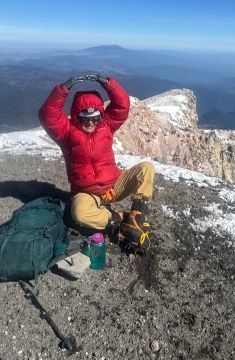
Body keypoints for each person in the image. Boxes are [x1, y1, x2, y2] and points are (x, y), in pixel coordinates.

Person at [38, 73, 153, 252]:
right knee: (79, 213)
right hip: (87, 193)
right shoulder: (66, 133)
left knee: (146, 168)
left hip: (114, 186)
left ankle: (137, 214)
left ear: (100, 116)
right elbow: (48, 115)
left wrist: (108, 84)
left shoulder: (106, 125)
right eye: (85, 117)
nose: (91, 122)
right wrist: (63, 89)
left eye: (95, 117)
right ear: (77, 115)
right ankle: (121, 220)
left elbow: (122, 105)